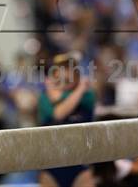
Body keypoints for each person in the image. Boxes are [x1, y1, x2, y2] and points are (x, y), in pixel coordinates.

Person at [38, 52, 96, 187]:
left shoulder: (87, 95)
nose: (64, 75)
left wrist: (59, 95)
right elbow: (58, 114)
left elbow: (62, 105)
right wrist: (80, 89)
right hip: (52, 166)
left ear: (76, 75)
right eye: (60, 71)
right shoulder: (44, 97)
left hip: (80, 164)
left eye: (68, 70)